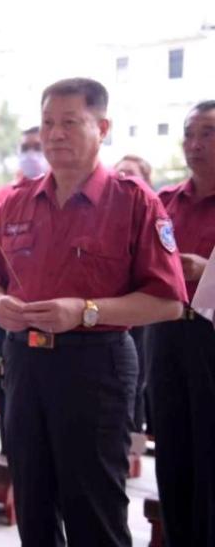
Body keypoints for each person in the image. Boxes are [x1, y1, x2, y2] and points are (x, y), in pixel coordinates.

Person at [0, 77, 186, 547]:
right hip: (24, 363)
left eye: (70, 122)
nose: (54, 134)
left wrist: (85, 311)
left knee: (94, 510)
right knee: (32, 504)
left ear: (103, 127)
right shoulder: (14, 201)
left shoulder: (133, 202)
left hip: (96, 366)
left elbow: (169, 300)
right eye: (48, 123)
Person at [147, 101, 215, 547]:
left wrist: (208, 269)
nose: (195, 144)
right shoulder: (164, 201)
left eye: (207, 133)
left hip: (210, 335)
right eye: (189, 134)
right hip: (166, 329)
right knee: (171, 446)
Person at [0, 125, 48, 454]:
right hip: (12, 324)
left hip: (67, 331)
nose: (31, 154)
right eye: (25, 147)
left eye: (35, 147)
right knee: (5, 384)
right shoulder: (6, 199)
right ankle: (10, 450)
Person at [113, 154, 154, 435]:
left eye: (130, 174)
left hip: (140, 318)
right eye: (119, 174)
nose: (123, 180)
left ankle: (134, 445)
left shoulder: (150, 212)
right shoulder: (102, 215)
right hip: (107, 318)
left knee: (137, 382)